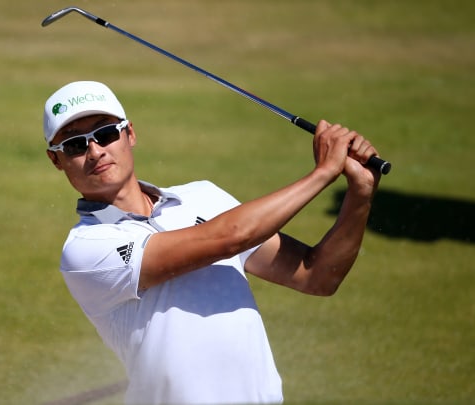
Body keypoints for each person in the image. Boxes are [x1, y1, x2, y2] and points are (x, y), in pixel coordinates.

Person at [43, 80, 380, 404]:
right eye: (74, 144)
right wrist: (322, 174)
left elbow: (317, 276)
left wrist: (360, 193)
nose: (95, 151)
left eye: (105, 133)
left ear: (129, 133)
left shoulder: (204, 198)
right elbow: (228, 238)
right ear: (56, 160)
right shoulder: (85, 249)